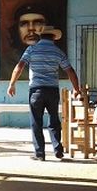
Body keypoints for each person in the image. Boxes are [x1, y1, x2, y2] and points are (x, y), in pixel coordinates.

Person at [7, 25, 81, 161]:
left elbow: (20, 66)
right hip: (52, 90)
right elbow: (70, 71)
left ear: (41, 36)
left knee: (36, 122)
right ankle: (58, 149)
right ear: (53, 37)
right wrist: (76, 88)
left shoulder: (31, 49)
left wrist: (12, 84)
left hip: (36, 90)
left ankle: (40, 154)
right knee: (53, 119)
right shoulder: (58, 52)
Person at [0, 3, 48, 79]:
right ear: (17, 29)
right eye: (24, 24)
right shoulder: (7, 62)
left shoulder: (54, 55)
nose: (31, 28)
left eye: (37, 23)